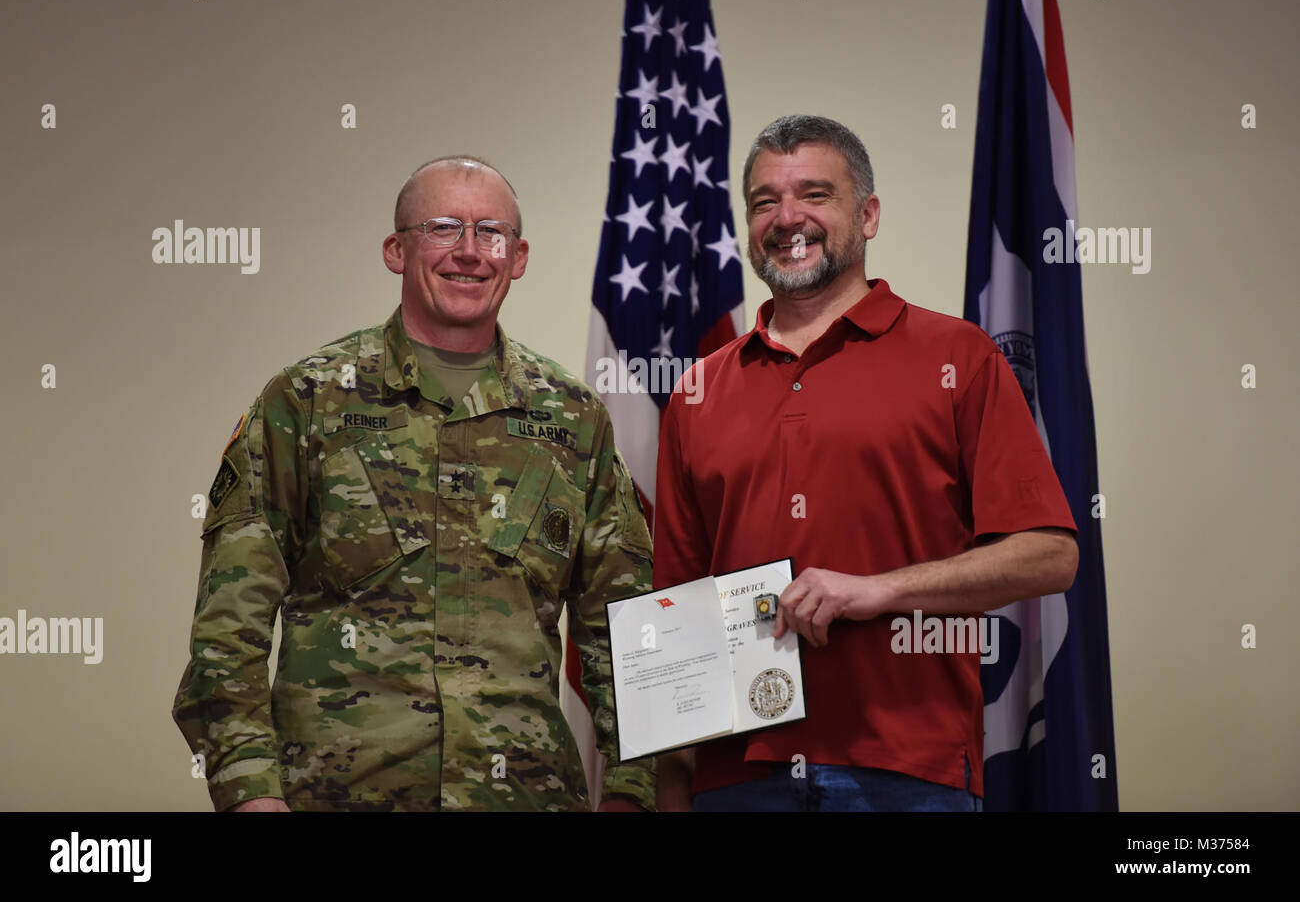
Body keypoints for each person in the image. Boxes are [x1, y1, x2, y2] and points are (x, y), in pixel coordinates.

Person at [173, 156, 654, 812]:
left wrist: (632, 789)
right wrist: (249, 790)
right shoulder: (308, 402)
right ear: (396, 250)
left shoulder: (572, 420)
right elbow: (229, 625)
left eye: (491, 232)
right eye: (444, 227)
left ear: (518, 257)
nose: (469, 251)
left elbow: (622, 629)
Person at [652, 116, 1079, 812]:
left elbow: (1049, 555)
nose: (787, 218)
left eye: (815, 194)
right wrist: (674, 791)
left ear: (868, 214)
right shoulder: (698, 390)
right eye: (765, 201)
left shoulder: (959, 357)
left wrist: (875, 590)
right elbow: (676, 610)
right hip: (736, 780)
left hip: (909, 772)